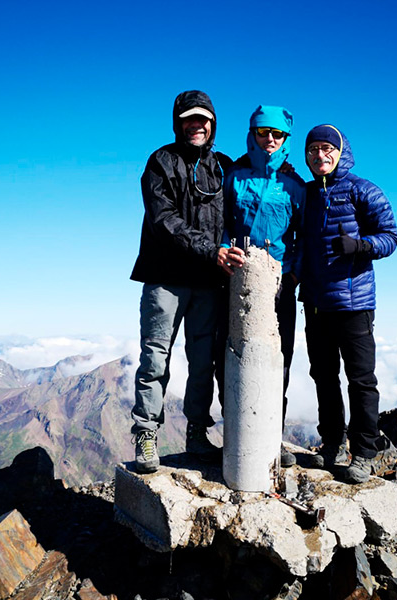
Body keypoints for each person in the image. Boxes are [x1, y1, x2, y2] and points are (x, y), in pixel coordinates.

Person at [130, 90, 233, 473]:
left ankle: (197, 432)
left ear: (213, 124)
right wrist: (211, 251)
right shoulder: (161, 161)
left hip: (207, 281)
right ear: (178, 122)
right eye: (190, 119)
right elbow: (163, 220)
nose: (197, 125)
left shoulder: (222, 166)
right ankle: (146, 433)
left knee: (202, 361)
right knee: (155, 358)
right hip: (166, 278)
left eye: (203, 119)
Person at [299, 124, 397, 484]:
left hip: (355, 303)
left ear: (341, 152)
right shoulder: (306, 194)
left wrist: (361, 246)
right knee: (324, 377)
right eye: (313, 149)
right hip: (315, 303)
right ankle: (331, 445)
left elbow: (391, 236)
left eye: (327, 148)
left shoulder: (362, 190)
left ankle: (364, 454)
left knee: (361, 380)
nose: (320, 155)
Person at [217, 105, 306, 467]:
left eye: (277, 134)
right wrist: (224, 248)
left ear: (286, 138)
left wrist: (293, 273)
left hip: (279, 284)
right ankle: (235, 434)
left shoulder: (295, 186)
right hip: (235, 278)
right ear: (252, 134)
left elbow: (303, 236)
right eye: (263, 132)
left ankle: (272, 438)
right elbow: (220, 221)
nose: (270, 139)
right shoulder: (234, 177)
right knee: (229, 354)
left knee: (277, 360)